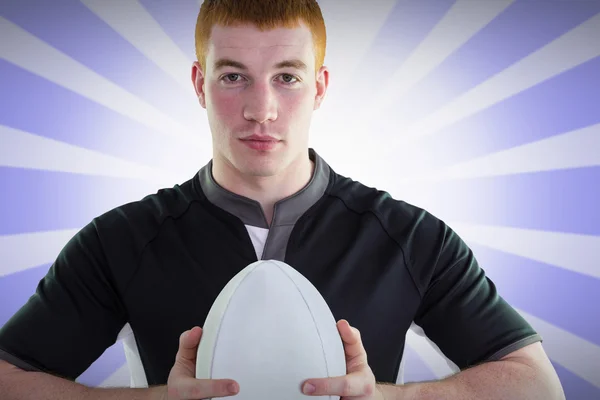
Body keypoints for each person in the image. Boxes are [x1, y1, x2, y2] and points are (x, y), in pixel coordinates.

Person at [0, 0, 565, 399]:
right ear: (199, 84)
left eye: (287, 77)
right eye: (233, 76)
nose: (261, 109)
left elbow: (534, 383)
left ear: (320, 86)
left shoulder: (413, 237)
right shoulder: (119, 241)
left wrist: (387, 398)